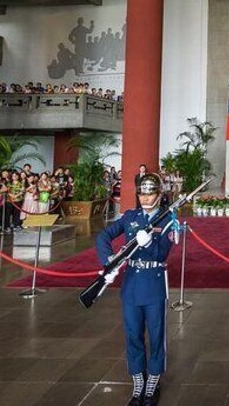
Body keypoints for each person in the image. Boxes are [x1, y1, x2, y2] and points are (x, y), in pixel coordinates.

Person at [96, 174, 178, 406]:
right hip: (131, 283)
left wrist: (150, 242)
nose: (145, 197)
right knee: (132, 334)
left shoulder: (167, 219)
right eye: (142, 193)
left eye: (150, 193)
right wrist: (108, 260)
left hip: (154, 283)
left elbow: (162, 253)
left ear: (159, 195)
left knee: (156, 334)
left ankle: (153, 380)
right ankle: (138, 380)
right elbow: (104, 236)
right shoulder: (131, 217)